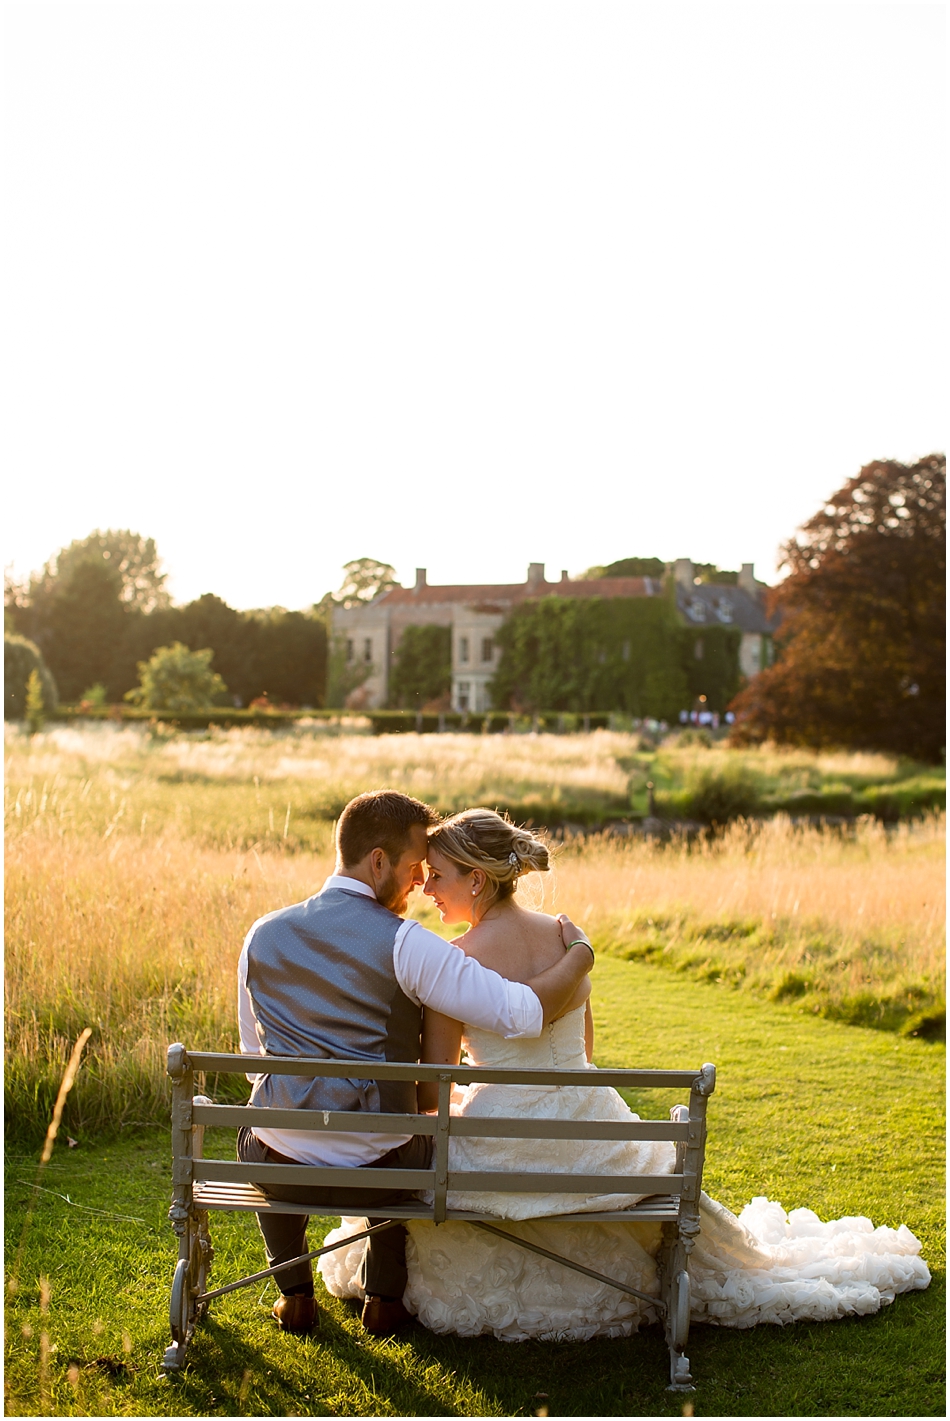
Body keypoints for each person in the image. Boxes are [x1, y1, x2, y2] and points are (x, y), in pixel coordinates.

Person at [319, 809, 930, 1341]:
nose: (427, 889)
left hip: (502, 1132)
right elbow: (582, 1050)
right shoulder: (564, 936)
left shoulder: (454, 964)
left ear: (476, 878)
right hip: (591, 1120)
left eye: (438, 877)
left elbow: (434, 1084)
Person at [236, 791, 594, 1339]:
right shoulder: (410, 944)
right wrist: (580, 955)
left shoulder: (261, 935)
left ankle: (295, 1294)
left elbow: (252, 1061)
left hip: (279, 1162)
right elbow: (523, 1013)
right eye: (411, 870)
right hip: (379, 1171)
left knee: (257, 1126)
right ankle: (383, 1296)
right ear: (378, 863)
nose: (417, 886)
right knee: (416, 1132)